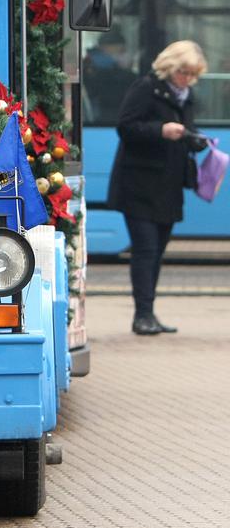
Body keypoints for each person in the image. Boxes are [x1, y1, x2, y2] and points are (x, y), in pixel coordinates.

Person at [106, 40, 209, 336]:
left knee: (158, 251)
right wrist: (160, 130)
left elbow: (184, 129)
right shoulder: (146, 88)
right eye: (184, 73)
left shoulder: (185, 96)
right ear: (171, 66)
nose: (188, 79)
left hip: (168, 185)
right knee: (145, 250)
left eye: (192, 74)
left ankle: (149, 313)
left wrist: (195, 138)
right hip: (139, 183)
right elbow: (125, 127)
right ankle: (142, 316)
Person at [82, 31, 136, 125]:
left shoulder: (90, 63)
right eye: (121, 51)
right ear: (105, 48)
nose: (123, 55)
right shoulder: (101, 70)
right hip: (104, 119)